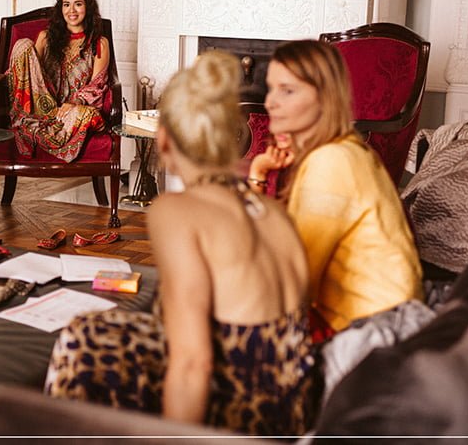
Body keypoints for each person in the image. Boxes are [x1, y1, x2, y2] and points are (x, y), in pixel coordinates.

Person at [45, 51, 318, 436]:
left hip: (242, 415)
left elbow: (194, 362)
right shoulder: (271, 211)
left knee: (82, 338)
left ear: (164, 140)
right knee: (107, 327)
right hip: (291, 408)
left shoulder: (176, 211)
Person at [263, 40, 423, 335]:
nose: (270, 102)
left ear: (324, 99)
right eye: (271, 88)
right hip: (366, 320)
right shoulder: (339, 149)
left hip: (371, 333)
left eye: (287, 91)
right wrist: (258, 174)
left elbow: (296, 282)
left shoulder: (331, 161)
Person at [0, 0, 110, 162]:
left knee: (87, 115)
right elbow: (29, 69)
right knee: (23, 45)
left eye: (78, 4)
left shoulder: (99, 43)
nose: (72, 10)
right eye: (66, 4)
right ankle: (35, 121)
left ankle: (46, 130)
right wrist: (4, 77)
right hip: (41, 105)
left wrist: (74, 103)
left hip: (74, 110)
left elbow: (97, 85)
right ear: (61, 8)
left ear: (88, 7)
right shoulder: (45, 37)